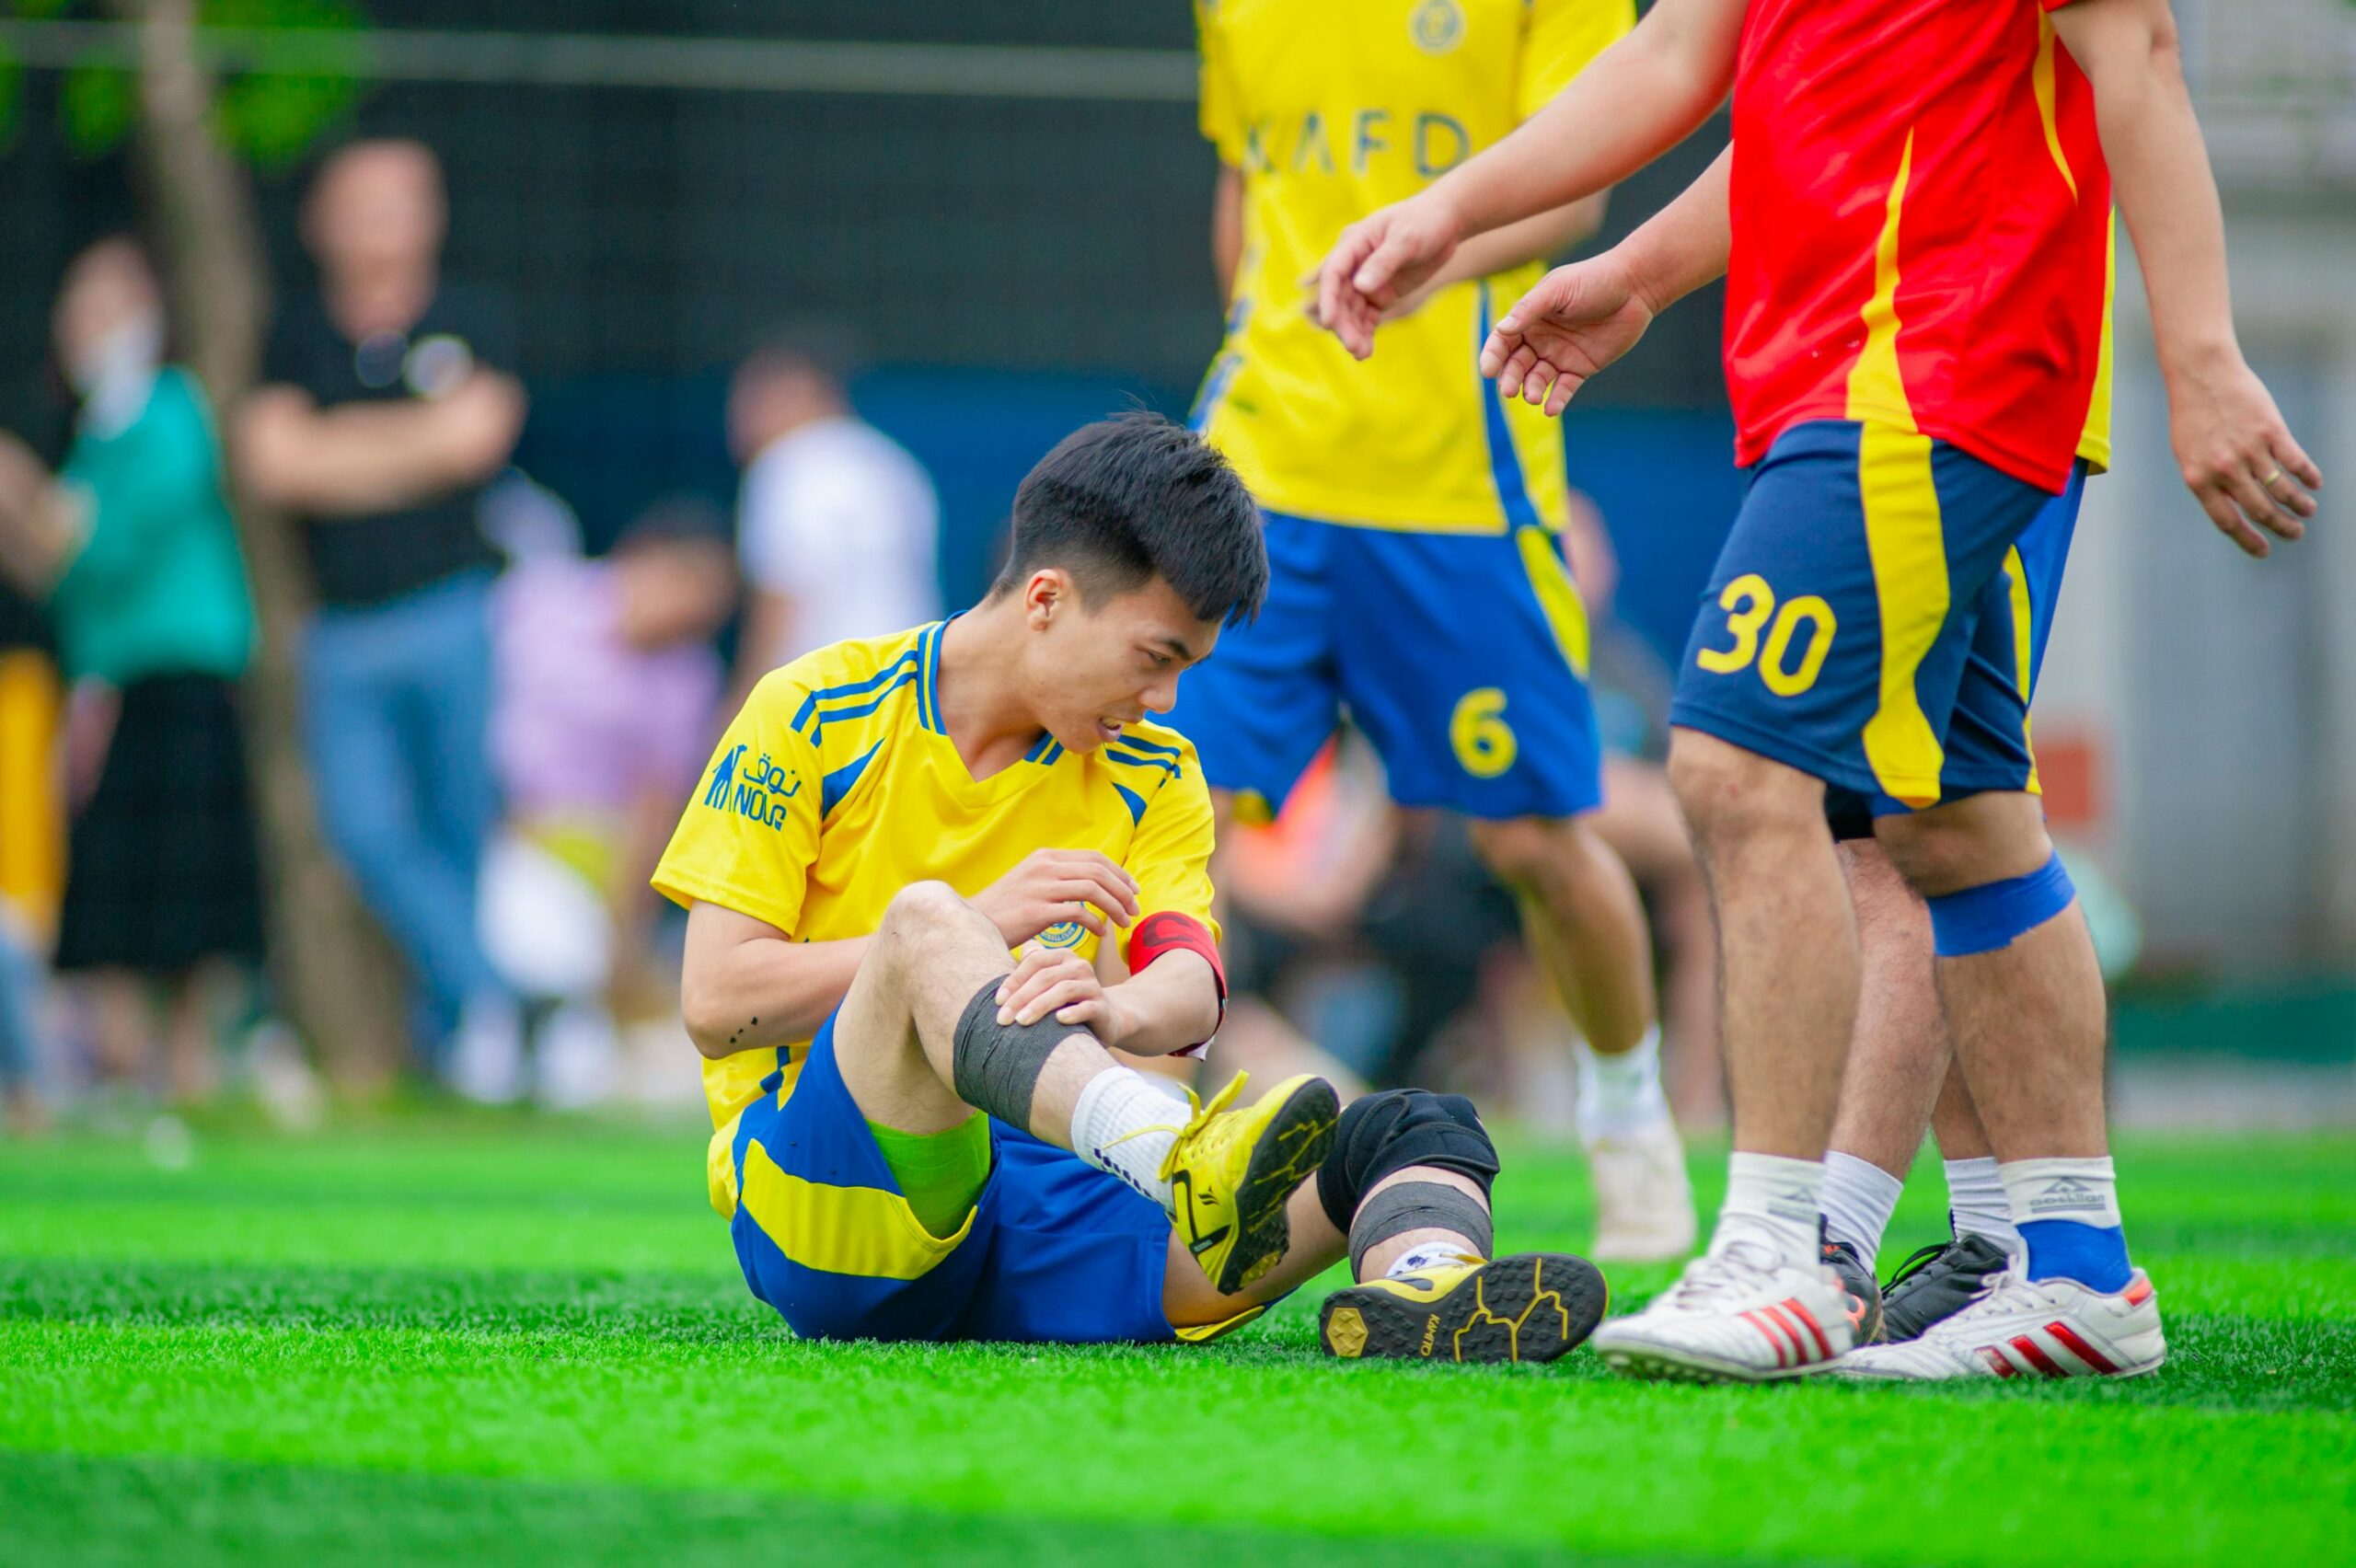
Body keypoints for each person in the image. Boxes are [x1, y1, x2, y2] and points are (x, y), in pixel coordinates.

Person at [1313, 0, 2319, 1380]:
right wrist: (1542, 240)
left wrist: (2200, 360)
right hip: (1847, 371)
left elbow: (2135, 50)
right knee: (1950, 819)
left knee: (1744, 771)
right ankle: (2070, 1268)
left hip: (1934, 364)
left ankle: (1792, 1248)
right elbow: (1714, 67)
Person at [656, 412, 1606, 1358]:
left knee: (1414, 1126)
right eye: (1155, 659)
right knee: (926, 926)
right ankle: (1168, 1153)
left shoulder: (1156, 773)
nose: (1164, 701)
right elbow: (715, 1003)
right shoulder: (810, 712)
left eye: (1187, 669)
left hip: (1053, 1197)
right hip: (844, 1211)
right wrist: (968, 932)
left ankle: (1425, 1292)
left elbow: (1188, 980)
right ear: (1045, 599)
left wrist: (1112, 1009)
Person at [1171, 0, 1694, 1263]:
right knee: (1166, 816)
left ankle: (1631, 1129)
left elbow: (1578, 195)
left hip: (1465, 486)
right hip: (1261, 474)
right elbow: (1245, 197)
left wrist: (1423, 258)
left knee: (1535, 838)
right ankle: (1131, 1144)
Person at [237, 139, 528, 1077]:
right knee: (360, 830)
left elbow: (476, 439)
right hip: (344, 627)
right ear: (319, 219)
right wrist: (416, 447)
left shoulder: (471, 317)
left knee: (457, 827)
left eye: (402, 200)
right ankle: (502, 999)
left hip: (453, 611)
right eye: (360, 201)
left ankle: (463, 1047)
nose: (380, 221)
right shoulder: (292, 333)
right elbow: (273, 462)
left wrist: (340, 452)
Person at [0, 237, 263, 1103]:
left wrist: (29, 503)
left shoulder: (171, 414)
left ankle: (189, 1074)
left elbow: (98, 546)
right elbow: (60, 568)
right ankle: (121, 1075)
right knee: (111, 885)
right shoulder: (94, 441)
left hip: (183, 680)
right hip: (108, 689)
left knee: (188, 887)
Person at [479, 496, 734, 1106]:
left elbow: (656, 807)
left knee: (570, 1029)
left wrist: (627, 930)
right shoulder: (539, 602)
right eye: (686, 585)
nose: (688, 613)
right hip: (485, 821)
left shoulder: (687, 675)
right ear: (644, 558)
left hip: (588, 849)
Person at [728, 326, 939, 692]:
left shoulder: (789, 462)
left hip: (825, 698)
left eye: (755, 398)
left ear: (801, 391)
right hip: (911, 687)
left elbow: (782, 597)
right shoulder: (894, 463)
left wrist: (742, 705)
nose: (738, 417)